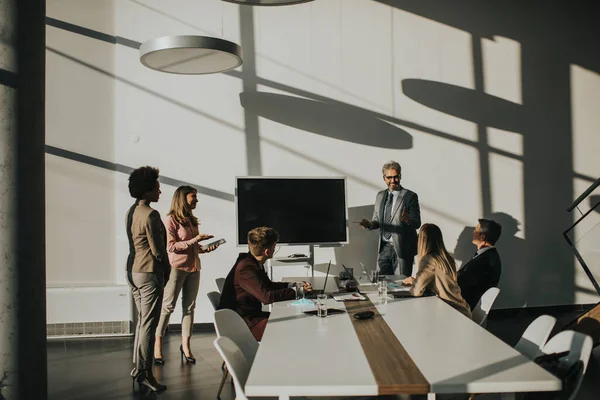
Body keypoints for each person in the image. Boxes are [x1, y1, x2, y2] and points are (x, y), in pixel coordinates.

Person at [154, 186, 221, 364]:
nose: (196, 200)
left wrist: (206, 248)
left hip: (194, 268)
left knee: (189, 308)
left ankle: (186, 347)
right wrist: (195, 240)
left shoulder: (192, 220)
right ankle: (157, 347)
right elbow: (171, 246)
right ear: (182, 198)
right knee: (168, 307)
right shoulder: (170, 220)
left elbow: (195, 248)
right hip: (176, 268)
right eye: (194, 197)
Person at [218, 227, 312, 341]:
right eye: (274, 247)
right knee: (293, 327)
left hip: (249, 317)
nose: (275, 249)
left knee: (296, 320)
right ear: (267, 251)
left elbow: (268, 285)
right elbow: (266, 297)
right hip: (244, 324)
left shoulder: (251, 262)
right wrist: (297, 291)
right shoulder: (246, 268)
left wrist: (294, 285)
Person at [125, 166, 170, 393]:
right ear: (147, 190)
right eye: (157, 189)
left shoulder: (131, 211)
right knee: (149, 326)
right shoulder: (151, 215)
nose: (160, 192)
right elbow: (158, 250)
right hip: (149, 272)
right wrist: (167, 268)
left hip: (132, 271)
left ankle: (138, 368)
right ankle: (145, 373)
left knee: (142, 321)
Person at [360, 160, 421, 276]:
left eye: (396, 177)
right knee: (381, 282)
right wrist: (369, 224)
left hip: (402, 249)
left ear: (400, 176)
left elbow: (417, 223)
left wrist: (408, 219)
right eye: (389, 177)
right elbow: (377, 220)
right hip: (384, 248)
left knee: (401, 284)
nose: (393, 180)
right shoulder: (380, 196)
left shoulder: (410, 196)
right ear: (384, 178)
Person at [402, 223, 471, 319]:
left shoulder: (428, 260)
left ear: (422, 241)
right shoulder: (447, 258)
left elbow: (416, 292)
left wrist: (415, 283)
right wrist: (415, 281)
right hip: (462, 309)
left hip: (450, 314)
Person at [457, 218, 502, 310]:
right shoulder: (487, 255)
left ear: (482, 237)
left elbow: (462, 282)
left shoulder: (485, 261)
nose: (473, 232)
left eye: (476, 230)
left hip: (466, 305)